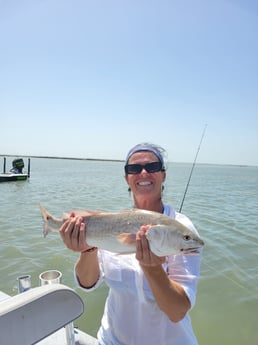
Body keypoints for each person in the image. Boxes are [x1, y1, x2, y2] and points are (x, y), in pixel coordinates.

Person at [60, 143, 202, 345]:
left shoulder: (180, 230)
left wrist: (153, 269)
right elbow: (88, 282)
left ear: (163, 175)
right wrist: (87, 249)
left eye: (152, 167)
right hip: (110, 340)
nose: (143, 173)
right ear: (127, 178)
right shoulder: (115, 223)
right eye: (134, 169)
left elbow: (177, 311)